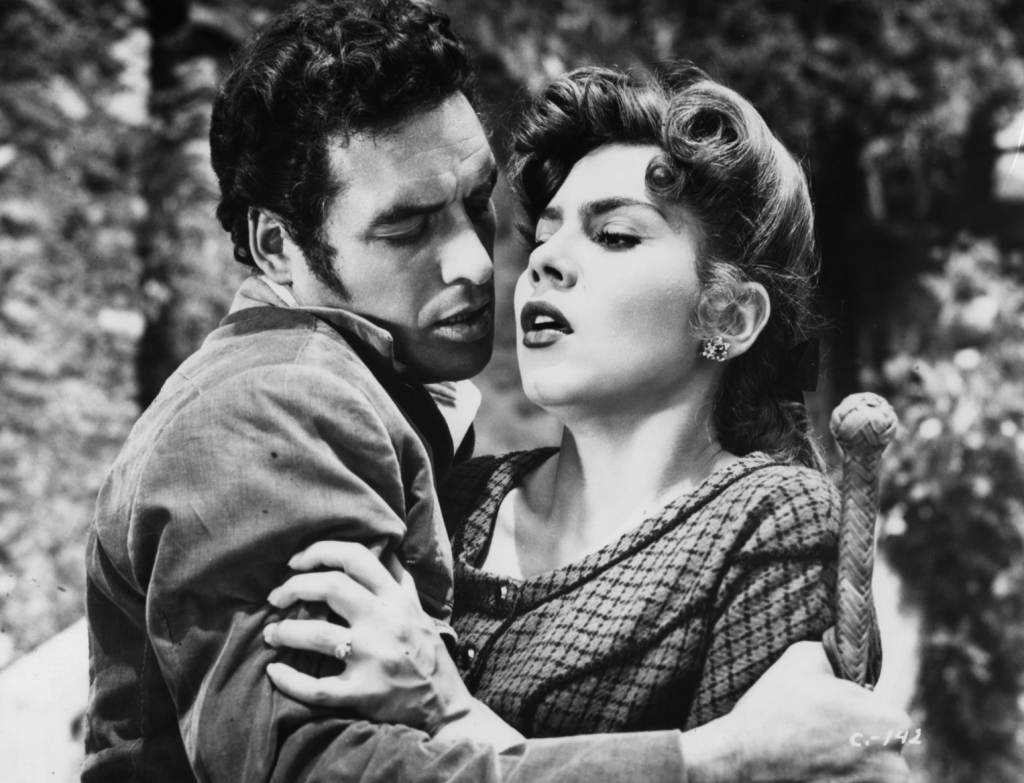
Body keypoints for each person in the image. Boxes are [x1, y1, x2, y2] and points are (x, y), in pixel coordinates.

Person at [82, 1, 909, 781]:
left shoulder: (768, 518)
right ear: (275, 248)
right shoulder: (394, 466)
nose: (493, 264)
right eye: (407, 226)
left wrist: (450, 708)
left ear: (728, 313)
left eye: (614, 235)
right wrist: (705, 759)